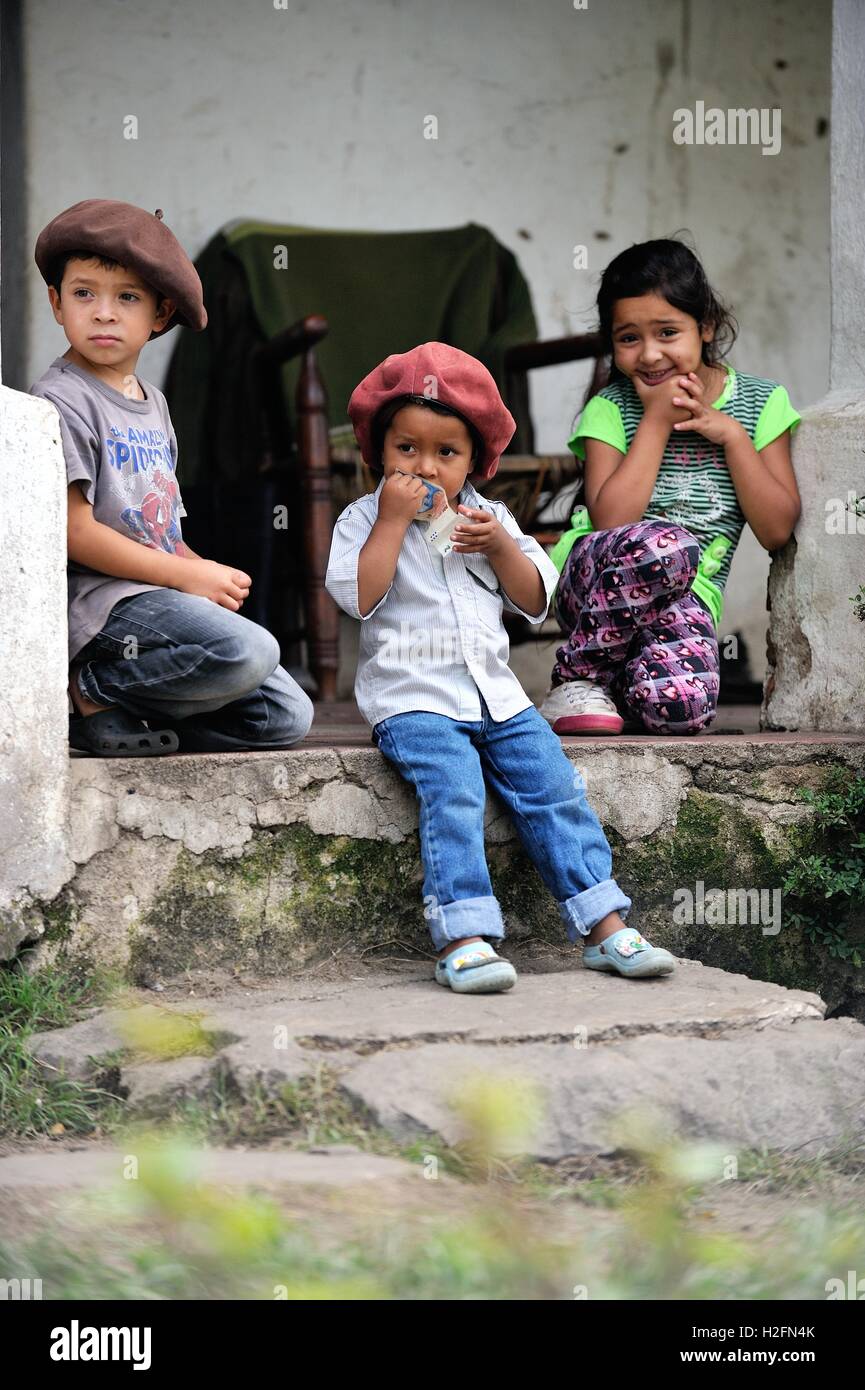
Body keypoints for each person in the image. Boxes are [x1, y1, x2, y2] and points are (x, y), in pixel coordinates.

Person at [325, 342, 675, 992]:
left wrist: (500, 547)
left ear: (475, 460)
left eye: (446, 453)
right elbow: (359, 597)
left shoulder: (491, 519)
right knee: (454, 792)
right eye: (407, 449)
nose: (425, 465)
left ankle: (603, 925)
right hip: (415, 699)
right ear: (379, 451)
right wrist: (393, 523)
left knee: (553, 788)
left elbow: (535, 598)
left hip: (499, 701)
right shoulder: (363, 518)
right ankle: (463, 939)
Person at [30, 199, 313, 756]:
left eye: (127, 297)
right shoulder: (61, 399)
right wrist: (184, 579)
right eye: (84, 293)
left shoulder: (153, 404)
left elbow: (161, 524)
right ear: (56, 303)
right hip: (101, 604)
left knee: (286, 715)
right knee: (247, 653)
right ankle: (90, 688)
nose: (104, 312)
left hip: (156, 596)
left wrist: (196, 568)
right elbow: (74, 532)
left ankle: (121, 718)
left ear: (159, 316)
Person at [540, 237, 801, 736]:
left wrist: (731, 437)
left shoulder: (762, 405)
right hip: (593, 580)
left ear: (705, 327)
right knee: (671, 546)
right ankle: (576, 677)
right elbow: (611, 520)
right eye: (629, 338)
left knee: (680, 710)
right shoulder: (612, 409)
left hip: (689, 600)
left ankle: (614, 687)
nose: (650, 354)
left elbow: (776, 530)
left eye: (667, 332)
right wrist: (656, 422)